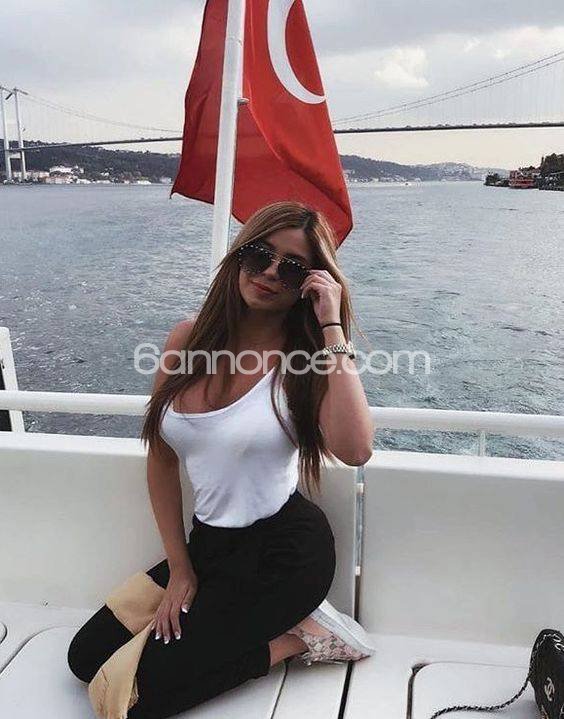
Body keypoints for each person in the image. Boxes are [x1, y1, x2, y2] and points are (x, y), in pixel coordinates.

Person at [67, 201, 376, 718]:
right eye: (260, 255)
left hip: (285, 558)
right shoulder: (186, 340)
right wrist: (181, 568)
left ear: (309, 283)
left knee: (131, 701)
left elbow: (355, 448)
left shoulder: (304, 361)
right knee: (84, 659)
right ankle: (258, 627)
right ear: (238, 256)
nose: (271, 273)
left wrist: (331, 325)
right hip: (209, 548)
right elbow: (161, 459)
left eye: (292, 267)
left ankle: (305, 637)